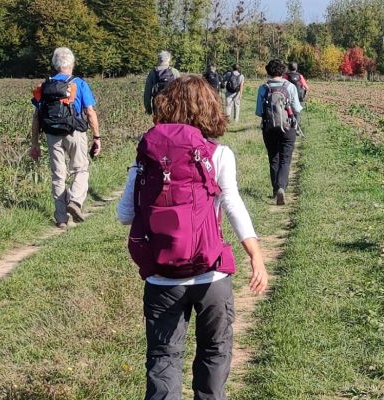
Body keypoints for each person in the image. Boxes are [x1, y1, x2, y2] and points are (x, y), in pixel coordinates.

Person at [118, 74, 270, 400]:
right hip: (211, 274)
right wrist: (255, 256)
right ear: (210, 109)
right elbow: (232, 205)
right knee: (214, 354)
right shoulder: (219, 154)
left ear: (167, 106)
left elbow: (125, 214)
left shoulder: (147, 155)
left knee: (163, 359)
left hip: (162, 278)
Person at [30, 47, 103, 228]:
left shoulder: (44, 86)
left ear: (55, 65)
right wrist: (97, 137)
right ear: (72, 63)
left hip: (52, 135)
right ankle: (75, 201)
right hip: (75, 133)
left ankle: (61, 219)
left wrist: (34, 143)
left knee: (58, 175)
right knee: (80, 170)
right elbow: (90, 112)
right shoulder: (79, 84)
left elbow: (36, 116)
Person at [254, 59, 304, 206]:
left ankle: (276, 190)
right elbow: (296, 108)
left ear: (268, 71)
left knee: (273, 158)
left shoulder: (263, 88)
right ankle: (282, 187)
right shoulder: (289, 86)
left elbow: (259, 112)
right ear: (282, 71)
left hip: (269, 128)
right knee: (285, 158)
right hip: (287, 127)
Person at [143, 51, 179, 115]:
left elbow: (147, 92)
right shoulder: (175, 72)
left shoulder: (153, 72)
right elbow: (180, 91)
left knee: (159, 124)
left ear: (159, 59)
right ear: (169, 59)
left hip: (157, 104)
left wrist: (148, 108)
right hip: (172, 104)